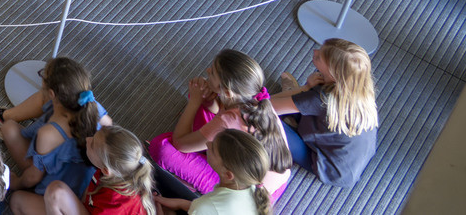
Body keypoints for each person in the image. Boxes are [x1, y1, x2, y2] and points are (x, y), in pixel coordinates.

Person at [145, 50, 290, 201]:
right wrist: (207, 99)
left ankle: (194, 185)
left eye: (213, 72)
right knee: (203, 101)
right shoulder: (257, 101)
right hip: (275, 180)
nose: (208, 70)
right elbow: (221, 112)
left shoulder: (229, 120)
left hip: (247, 196)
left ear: (227, 92)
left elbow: (180, 143)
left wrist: (195, 101)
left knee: (161, 148)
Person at [0, 58, 110, 201]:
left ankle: (4, 120)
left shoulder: (48, 134)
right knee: (42, 98)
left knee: (8, 129)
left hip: (61, 185)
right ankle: (4, 115)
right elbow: (109, 125)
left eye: (42, 76)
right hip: (85, 176)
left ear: (53, 94)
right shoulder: (92, 106)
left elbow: (34, 177)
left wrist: (15, 182)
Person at [266, 38, 377, 188]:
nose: (314, 51)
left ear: (332, 73)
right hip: (348, 160)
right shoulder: (360, 89)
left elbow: (268, 106)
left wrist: (304, 89)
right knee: (304, 105)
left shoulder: (322, 98)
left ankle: (295, 108)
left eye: (319, 56)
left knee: (264, 119)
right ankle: (296, 109)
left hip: (329, 168)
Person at [23, 125, 155, 215]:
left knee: (56, 191)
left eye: (92, 144)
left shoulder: (115, 205)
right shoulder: (114, 172)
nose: (87, 139)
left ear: (106, 170)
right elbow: (88, 194)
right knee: (17, 202)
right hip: (90, 209)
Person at [155, 130, 272, 215]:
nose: (207, 144)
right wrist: (181, 204)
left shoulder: (207, 206)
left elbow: (208, 208)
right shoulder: (250, 185)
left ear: (228, 174)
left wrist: (158, 211)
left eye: (213, 149)